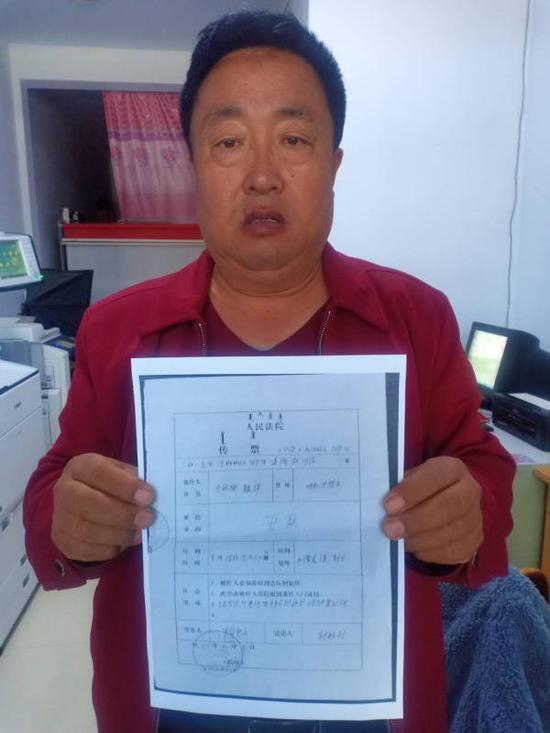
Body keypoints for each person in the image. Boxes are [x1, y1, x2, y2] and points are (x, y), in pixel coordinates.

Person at [23, 11, 515, 733]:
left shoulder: (418, 317)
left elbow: (484, 468)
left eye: (293, 139)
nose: (261, 176)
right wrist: (67, 518)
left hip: (366, 705)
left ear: (334, 166)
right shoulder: (117, 329)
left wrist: (469, 508)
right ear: (193, 165)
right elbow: (51, 492)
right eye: (228, 142)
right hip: (171, 706)